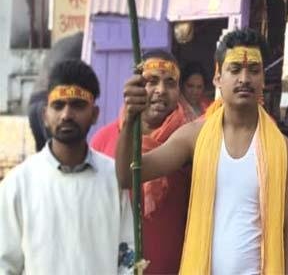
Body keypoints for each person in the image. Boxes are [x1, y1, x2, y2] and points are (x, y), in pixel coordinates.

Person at [116, 28, 288, 274]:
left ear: (263, 79)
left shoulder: (281, 147)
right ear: (218, 78)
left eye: (254, 70)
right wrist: (130, 119)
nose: (244, 78)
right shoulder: (195, 136)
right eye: (235, 69)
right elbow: (128, 175)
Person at [1, 59, 134, 274]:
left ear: (94, 114)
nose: (66, 115)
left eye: (78, 105)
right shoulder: (18, 184)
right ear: (45, 115)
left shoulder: (114, 178)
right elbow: (5, 263)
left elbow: (129, 258)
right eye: (58, 106)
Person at [91, 50, 193, 275]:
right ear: (136, 86)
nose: (161, 90)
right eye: (151, 81)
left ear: (179, 91)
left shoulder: (191, 141)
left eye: (170, 83)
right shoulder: (104, 140)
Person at [27, 32, 83, 151]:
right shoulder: (85, 45)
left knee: (43, 155)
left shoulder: (62, 43)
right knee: (61, 154)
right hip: (51, 102)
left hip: (33, 103)